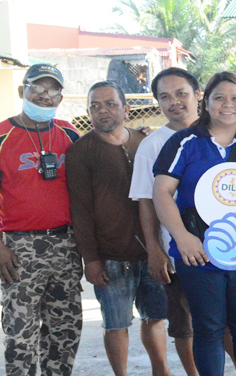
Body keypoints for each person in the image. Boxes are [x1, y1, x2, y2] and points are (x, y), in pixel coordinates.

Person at [152, 72, 236, 376]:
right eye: (219, 97)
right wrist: (182, 237)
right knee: (209, 327)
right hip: (198, 252)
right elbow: (161, 192)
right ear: (206, 102)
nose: (228, 104)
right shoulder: (185, 142)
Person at [130, 67, 236, 376]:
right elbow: (146, 201)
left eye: (181, 93)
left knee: (231, 324)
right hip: (181, 254)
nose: (174, 102)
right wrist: (156, 249)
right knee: (186, 326)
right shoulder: (151, 145)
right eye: (165, 97)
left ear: (198, 96)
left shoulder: (228, 135)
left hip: (231, 250)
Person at [0, 63, 82, 376]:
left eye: (53, 90)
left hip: (66, 244)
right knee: (20, 331)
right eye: (38, 87)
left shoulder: (69, 134)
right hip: (20, 248)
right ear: (22, 91)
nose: (45, 96)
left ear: (61, 98)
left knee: (65, 329)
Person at [66, 81, 172, 376]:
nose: (103, 111)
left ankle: (161, 370)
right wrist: (91, 259)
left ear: (126, 109)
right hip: (111, 255)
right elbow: (81, 211)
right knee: (115, 324)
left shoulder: (145, 142)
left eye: (110, 104)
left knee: (155, 318)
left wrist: (160, 249)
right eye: (95, 106)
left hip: (153, 251)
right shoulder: (80, 152)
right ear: (88, 112)